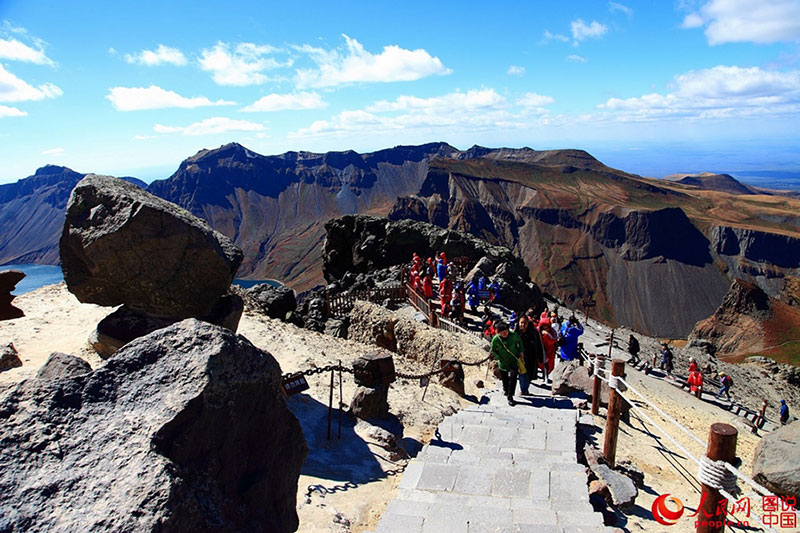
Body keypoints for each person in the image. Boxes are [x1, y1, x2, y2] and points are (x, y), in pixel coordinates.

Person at [491, 321, 524, 406]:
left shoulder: (513, 335)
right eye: (503, 332)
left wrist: (521, 352)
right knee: (505, 380)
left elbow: (520, 342)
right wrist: (499, 358)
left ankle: (510, 396)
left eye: (506, 331)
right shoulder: (496, 339)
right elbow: (493, 350)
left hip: (513, 360)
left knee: (513, 378)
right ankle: (506, 390)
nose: (505, 333)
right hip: (503, 362)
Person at [539, 317, 557, 383]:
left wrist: (546, 335)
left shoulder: (552, 332)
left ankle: (546, 375)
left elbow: (553, 340)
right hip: (541, 350)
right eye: (544, 327)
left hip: (550, 351)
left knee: (549, 364)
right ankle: (544, 375)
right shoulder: (538, 331)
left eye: (547, 327)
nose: (546, 328)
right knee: (542, 364)